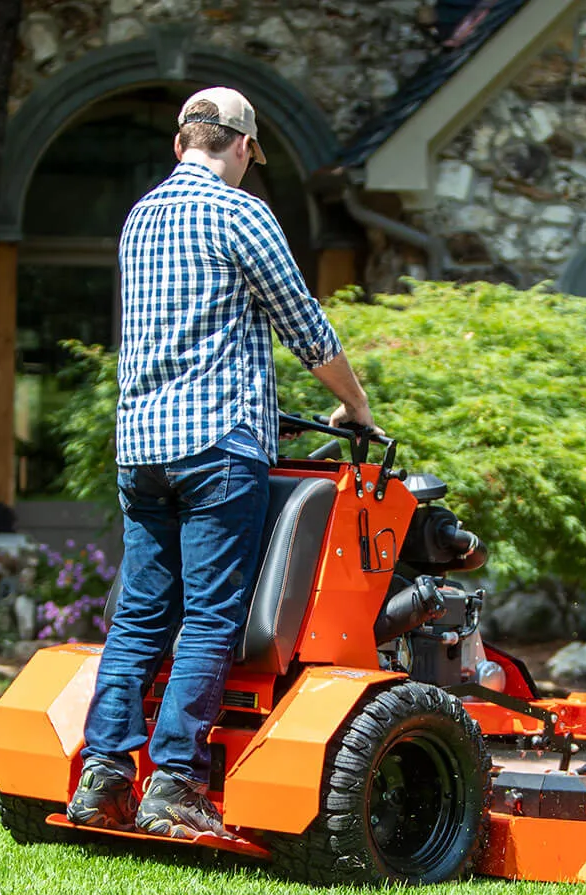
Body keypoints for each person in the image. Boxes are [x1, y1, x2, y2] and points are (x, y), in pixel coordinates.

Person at [68, 86, 377, 840]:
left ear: (181, 144)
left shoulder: (140, 216)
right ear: (242, 147)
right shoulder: (240, 213)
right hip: (215, 447)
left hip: (141, 448)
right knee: (210, 616)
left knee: (139, 617)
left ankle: (104, 779)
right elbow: (305, 326)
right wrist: (357, 408)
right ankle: (175, 782)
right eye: (250, 154)